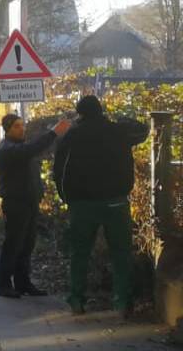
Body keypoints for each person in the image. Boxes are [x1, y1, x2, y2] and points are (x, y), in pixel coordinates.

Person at [52, 95, 149, 315]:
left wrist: (65, 197)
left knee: (80, 253)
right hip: (116, 202)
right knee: (121, 253)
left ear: (80, 113)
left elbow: (60, 170)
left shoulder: (72, 135)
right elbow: (143, 130)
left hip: (82, 204)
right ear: (100, 110)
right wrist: (119, 118)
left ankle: (77, 300)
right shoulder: (118, 132)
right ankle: (122, 301)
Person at [0, 112, 72, 298]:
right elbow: (31, 149)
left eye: (22, 125)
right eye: (17, 126)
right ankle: (3, 284)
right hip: (15, 203)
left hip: (29, 202)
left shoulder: (20, 147)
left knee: (27, 244)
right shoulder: (7, 149)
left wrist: (39, 194)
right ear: (7, 129)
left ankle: (23, 282)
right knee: (13, 244)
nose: (22, 129)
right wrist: (53, 133)